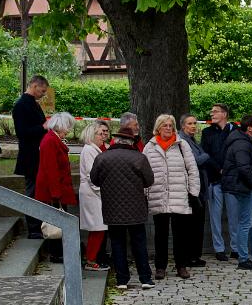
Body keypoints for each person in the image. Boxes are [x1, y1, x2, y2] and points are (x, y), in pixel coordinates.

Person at [91, 121, 156, 290]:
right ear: (131, 142)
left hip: (112, 208)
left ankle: (121, 280)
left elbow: (94, 180)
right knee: (139, 243)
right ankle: (145, 278)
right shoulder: (140, 158)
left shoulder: (102, 157)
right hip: (136, 208)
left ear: (116, 140)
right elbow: (149, 181)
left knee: (117, 244)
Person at [143, 113, 199, 279]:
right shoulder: (149, 147)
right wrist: (145, 193)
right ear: (158, 128)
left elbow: (192, 170)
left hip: (179, 195)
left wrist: (193, 192)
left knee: (180, 234)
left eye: (170, 125)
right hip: (158, 195)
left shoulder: (182, 145)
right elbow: (144, 173)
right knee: (160, 234)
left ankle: (181, 265)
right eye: (164, 125)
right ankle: (160, 267)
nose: (168, 128)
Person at [34, 112, 79, 259]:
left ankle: (58, 251)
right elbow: (51, 169)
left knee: (58, 221)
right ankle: (56, 253)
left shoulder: (53, 139)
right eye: (67, 128)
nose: (68, 131)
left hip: (56, 189)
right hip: (53, 191)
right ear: (61, 126)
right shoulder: (50, 141)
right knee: (55, 222)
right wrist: (56, 194)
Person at [222, 115, 252, 269]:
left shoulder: (245, 141)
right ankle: (243, 258)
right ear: (250, 128)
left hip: (247, 186)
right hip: (244, 187)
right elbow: (243, 168)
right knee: (246, 223)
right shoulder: (241, 143)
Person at [12, 75, 49, 238]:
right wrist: (43, 127)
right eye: (42, 90)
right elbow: (22, 133)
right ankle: (33, 227)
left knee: (37, 190)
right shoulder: (21, 105)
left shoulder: (32, 103)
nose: (43, 94)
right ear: (34, 86)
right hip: (30, 156)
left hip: (37, 155)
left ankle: (38, 224)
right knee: (32, 191)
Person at [200, 104, 235, 259]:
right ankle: (219, 249)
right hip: (214, 180)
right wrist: (218, 169)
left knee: (235, 216)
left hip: (231, 181)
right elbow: (205, 154)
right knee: (215, 217)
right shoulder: (207, 132)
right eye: (211, 111)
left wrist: (228, 169)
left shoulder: (234, 131)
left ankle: (236, 247)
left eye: (215, 111)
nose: (211, 113)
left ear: (224, 114)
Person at [178, 115, 210, 268]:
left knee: (197, 224)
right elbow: (195, 161)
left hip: (200, 188)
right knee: (191, 226)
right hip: (191, 190)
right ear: (183, 126)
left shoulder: (192, 140)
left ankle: (195, 255)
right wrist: (206, 155)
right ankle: (190, 256)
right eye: (190, 124)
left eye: (194, 123)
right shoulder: (182, 141)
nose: (193, 126)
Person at [77, 120, 110, 270]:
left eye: (106, 132)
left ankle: (91, 258)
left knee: (98, 228)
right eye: (101, 132)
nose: (104, 135)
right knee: (97, 228)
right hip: (93, 193)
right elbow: (92, 175)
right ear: (93, 133)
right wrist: (102, 191)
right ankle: (91, 260)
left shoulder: (96, 149)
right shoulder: (90, 150)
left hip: (95, 192)